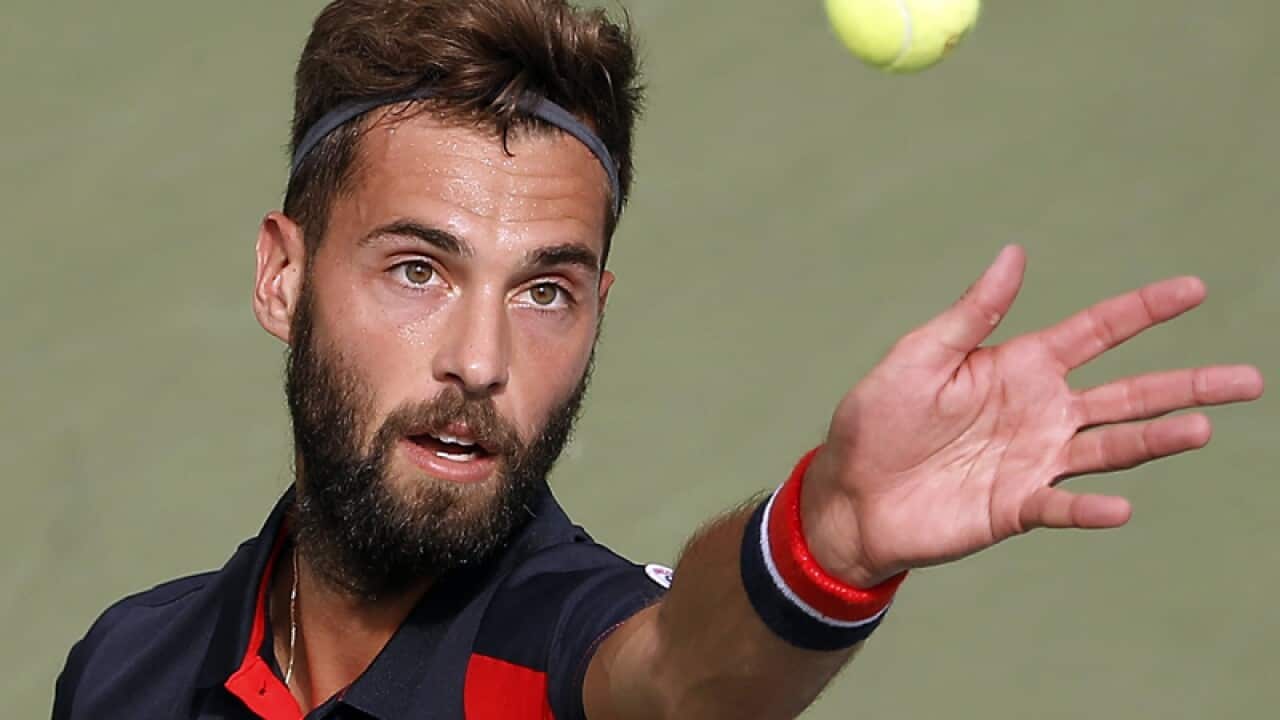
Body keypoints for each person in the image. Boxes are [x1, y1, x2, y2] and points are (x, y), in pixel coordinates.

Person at [51, 1, 1264, 718]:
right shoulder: (124, 668)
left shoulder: (560, 647)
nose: (479, 359)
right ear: (283, 276)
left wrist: (826, 544)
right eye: (417, 270)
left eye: (546, 290)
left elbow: (682, 677)